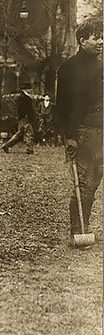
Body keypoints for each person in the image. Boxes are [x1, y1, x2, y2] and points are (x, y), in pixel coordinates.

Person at [56, 17, 103, 248]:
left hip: (100, 132)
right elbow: (63, 105)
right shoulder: (68, 68)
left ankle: (84, 226)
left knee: (93, 182)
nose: (101, 41)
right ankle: (77, 231)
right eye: (97, 37)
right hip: (81, 132)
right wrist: (69, 135)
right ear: (83, 40)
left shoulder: (101, 66)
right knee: (82, 183)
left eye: (102, 36)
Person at [1, 80, 35, 155]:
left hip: (22, 118)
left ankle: (6, 145)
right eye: (29, 89)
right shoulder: (26, 98)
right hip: (25, 118)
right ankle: (30, 149)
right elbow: (24, 109)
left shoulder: (21, 97)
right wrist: (27, 116)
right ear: (26, 90)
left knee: (19, 135)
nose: (30, 90)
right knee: (29, 134)